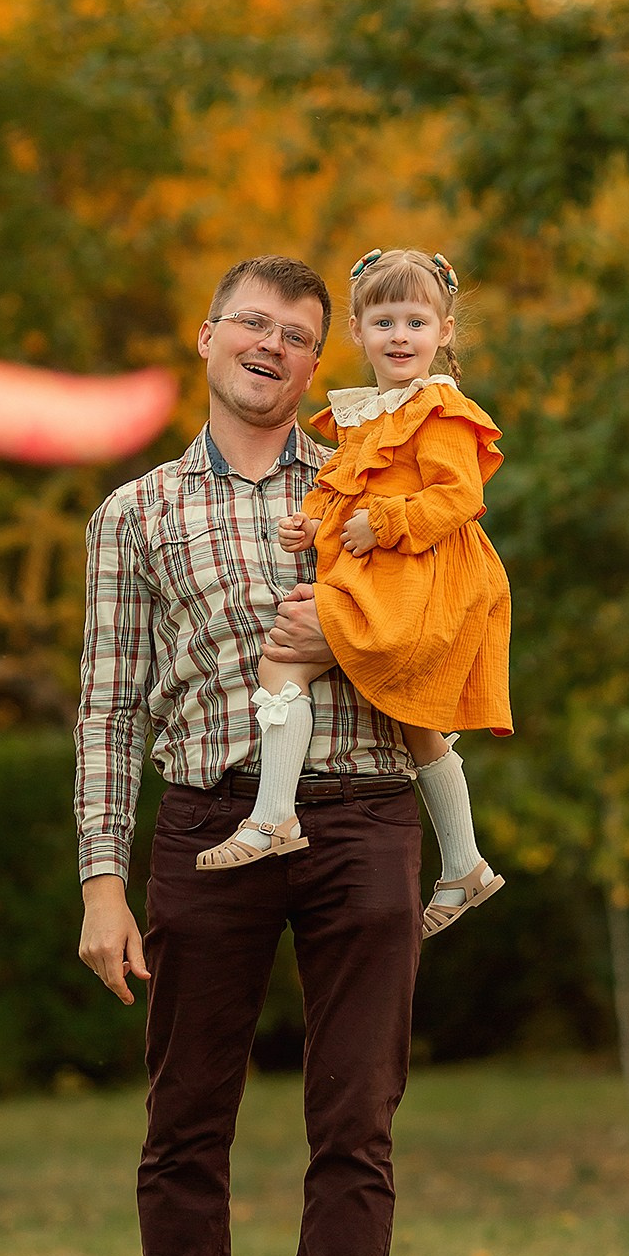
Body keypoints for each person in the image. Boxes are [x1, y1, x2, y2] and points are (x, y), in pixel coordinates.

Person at [74, 255, 423, 1256]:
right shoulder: (133, 515)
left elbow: (447, 633)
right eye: (253, 324)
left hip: (365, 812)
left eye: (297, 336)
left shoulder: (372, 486)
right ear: (209, 335)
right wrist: (101, 881)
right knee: (183, 1124)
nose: (271, 346)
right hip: (205, 824)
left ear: (316, 364)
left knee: (354, 1121)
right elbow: (107, 710)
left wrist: (349, 639)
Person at [195, 247, 511, 939]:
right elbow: (355, 492)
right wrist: (317, 526)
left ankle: (273, 815)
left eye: (416, 323)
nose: (400, 337)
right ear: (359, 333)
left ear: (444, 333)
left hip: (423, 576)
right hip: (393, 569)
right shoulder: (370, 416)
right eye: (384, 322)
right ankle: (465, 863)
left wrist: (385, 523)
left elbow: (458, 496)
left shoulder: (438, 409)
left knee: (285, 655)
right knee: (411, 717)